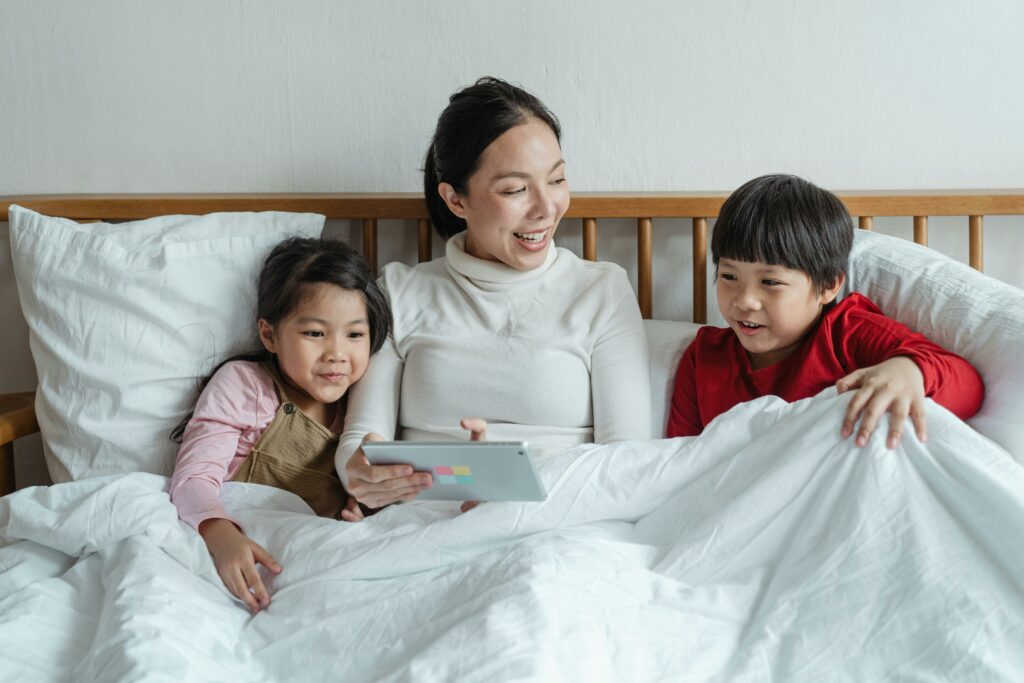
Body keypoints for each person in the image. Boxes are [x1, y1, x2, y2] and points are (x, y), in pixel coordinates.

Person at [337, 76, 652, 511]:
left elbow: (628, 462)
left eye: (557, 180)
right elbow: (362, 439)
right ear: (455, 200)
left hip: (561, 525)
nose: (546, 208)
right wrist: (359, 471)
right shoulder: (399, 291)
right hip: (423, 524)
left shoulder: (601, 291)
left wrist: (509, 498)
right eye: (515, 190)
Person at [666, 173, 984, 446]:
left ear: (829, 285)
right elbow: (679, 458)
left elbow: (968, 387)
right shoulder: (705, 357)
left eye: (770, 282)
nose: (745, 300)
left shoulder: (849, 333)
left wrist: (908, 371)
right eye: (729, 276)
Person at [169, 236, 392, 612]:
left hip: (307, 561)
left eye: (354, 334)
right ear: (269, 334)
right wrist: (220, 534)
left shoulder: (364, 406)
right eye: (314, 334)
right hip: (233, 545)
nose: (337, 353)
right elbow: (192, 480)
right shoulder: (246, 384)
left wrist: (359, 516)